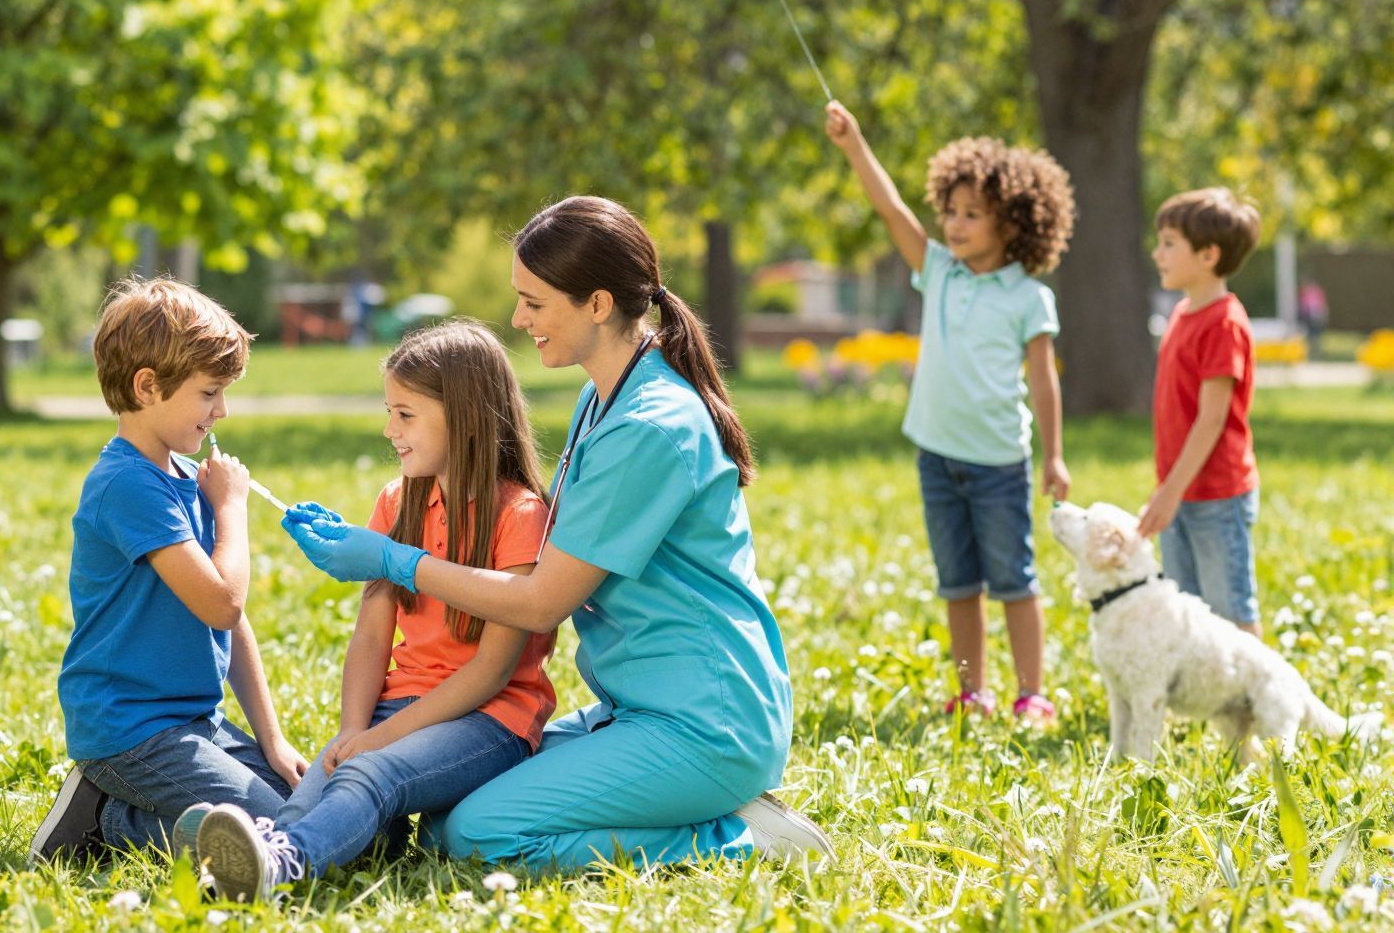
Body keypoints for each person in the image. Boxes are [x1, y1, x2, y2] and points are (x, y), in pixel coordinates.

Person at [287, 196, 828, 871]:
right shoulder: (602, 396)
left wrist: (398, 560)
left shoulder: (650, 427)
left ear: (597, 304)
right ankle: (706, 808)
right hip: (634, 707)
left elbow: (543, 602)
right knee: (450, 800)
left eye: (534, 303)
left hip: (704, 723)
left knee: (476, 834)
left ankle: (738, 838)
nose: (518, 320)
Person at [188, 320, 557, 899]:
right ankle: (264, 862)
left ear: (464, 417)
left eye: (406, 415)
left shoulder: (520, 516)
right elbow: (370, 639)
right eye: (390, 411)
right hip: (397, 705)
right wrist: (353, 728)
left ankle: (279, 866)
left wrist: (377, 743)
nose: (390, 430)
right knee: (319, 787)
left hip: (491, 719)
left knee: (366, 772)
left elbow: (491, 672)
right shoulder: (397, 501)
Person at [31, 278, 307, 860]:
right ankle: (106, 821)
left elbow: (232, 624)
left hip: (195, 721)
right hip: (131, 733)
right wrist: (231, 509)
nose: (222, 410)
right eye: (210, 392)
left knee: (321, 812)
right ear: (147, 386)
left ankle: (126, 814)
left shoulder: (186, 476)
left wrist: (272, 740)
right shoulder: (128, 484)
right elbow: (221, 602)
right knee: (284, 834)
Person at [825, 102, 1075, 725]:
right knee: (958, 583)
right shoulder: (937, 271)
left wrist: (1056, 455)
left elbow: (1044, 381)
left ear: (1013, 224)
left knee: (1014, 580)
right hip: (937, 455)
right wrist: (856, 144)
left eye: (973, 215)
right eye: (951, 212)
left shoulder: (1028, 297)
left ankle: (1031, 691)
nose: (955, 226)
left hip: (999, 462)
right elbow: (891, 209)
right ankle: (972, 692)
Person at [1140, 188, 1264, 635]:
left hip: (1216, 495)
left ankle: (1257, 701)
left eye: (1170, 243)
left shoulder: (1223, 323)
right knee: (1187, 614)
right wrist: (1170, 490)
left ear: (1208, 254)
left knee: (1229, 610)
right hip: (1180, 492)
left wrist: (1169, 491)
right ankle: (1206, 703)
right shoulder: (1181, 313)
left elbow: (1211, 419)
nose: (1158, 254)